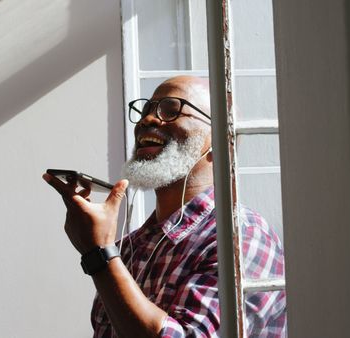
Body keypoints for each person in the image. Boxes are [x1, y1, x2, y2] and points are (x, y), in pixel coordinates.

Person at [43, 76, 286, 337]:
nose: (147, 119)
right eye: (146, 110)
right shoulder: (130, 248)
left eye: (172, 110)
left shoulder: (241, 235)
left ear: (220, 143)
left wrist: (98, 253)